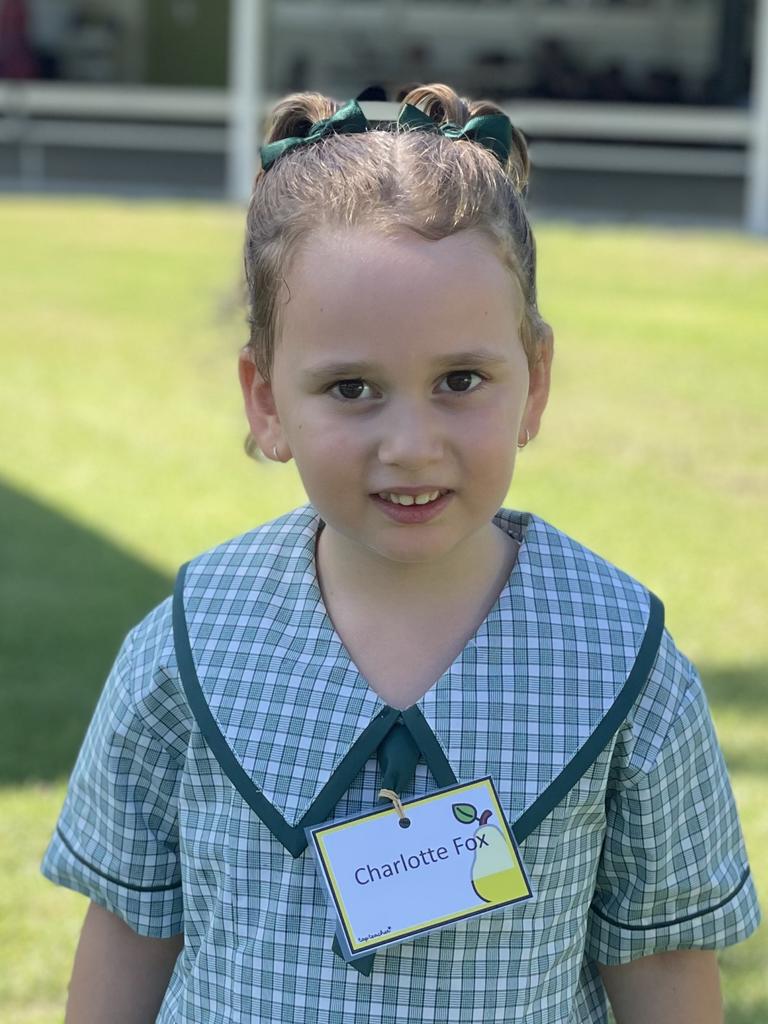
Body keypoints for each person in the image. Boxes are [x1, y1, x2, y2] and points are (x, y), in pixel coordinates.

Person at [41, 83, 760, 1023]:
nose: (411, 445)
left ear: (534, 380)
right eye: (351, 388)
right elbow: (131, 932)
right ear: (265, 399)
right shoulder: (184, 649)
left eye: (461, 379)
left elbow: (664, 967)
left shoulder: (626, 664)